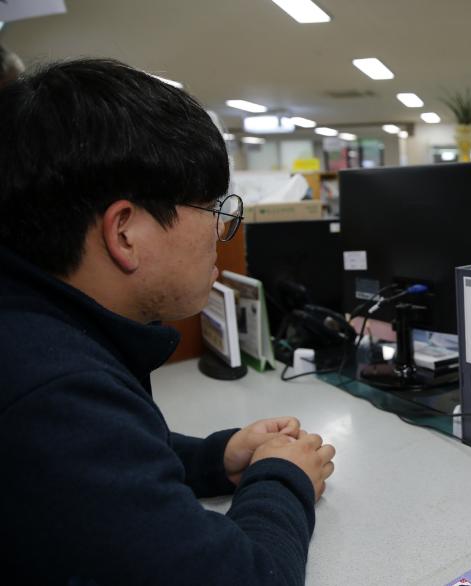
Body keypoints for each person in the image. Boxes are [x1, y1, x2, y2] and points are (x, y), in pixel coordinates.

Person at [0, 58, 336, 585]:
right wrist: (283, 478)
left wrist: (213, 458)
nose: (220, 231)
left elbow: (110, 456)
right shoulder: (51, 389)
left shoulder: (41, 329)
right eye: (210, 208)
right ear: (126, 233)